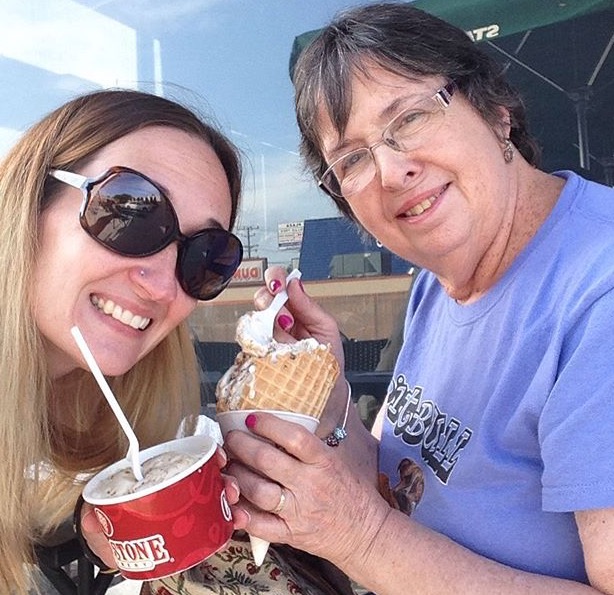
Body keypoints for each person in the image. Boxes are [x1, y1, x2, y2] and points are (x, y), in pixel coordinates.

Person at [222, 3, 614, 594]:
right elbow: (403, 481)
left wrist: (359, 537)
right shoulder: (441, 276)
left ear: (496, 113)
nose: (390, 170)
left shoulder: (597, 294)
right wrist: (330, 403)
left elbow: (376, 527)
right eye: (351, 159)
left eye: (409, 118)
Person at [0, 87, 245, 593]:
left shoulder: (76, 399)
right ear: (30, 203)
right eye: (132, 213)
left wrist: (86, 534)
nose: (160, 285)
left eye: (205, 254)